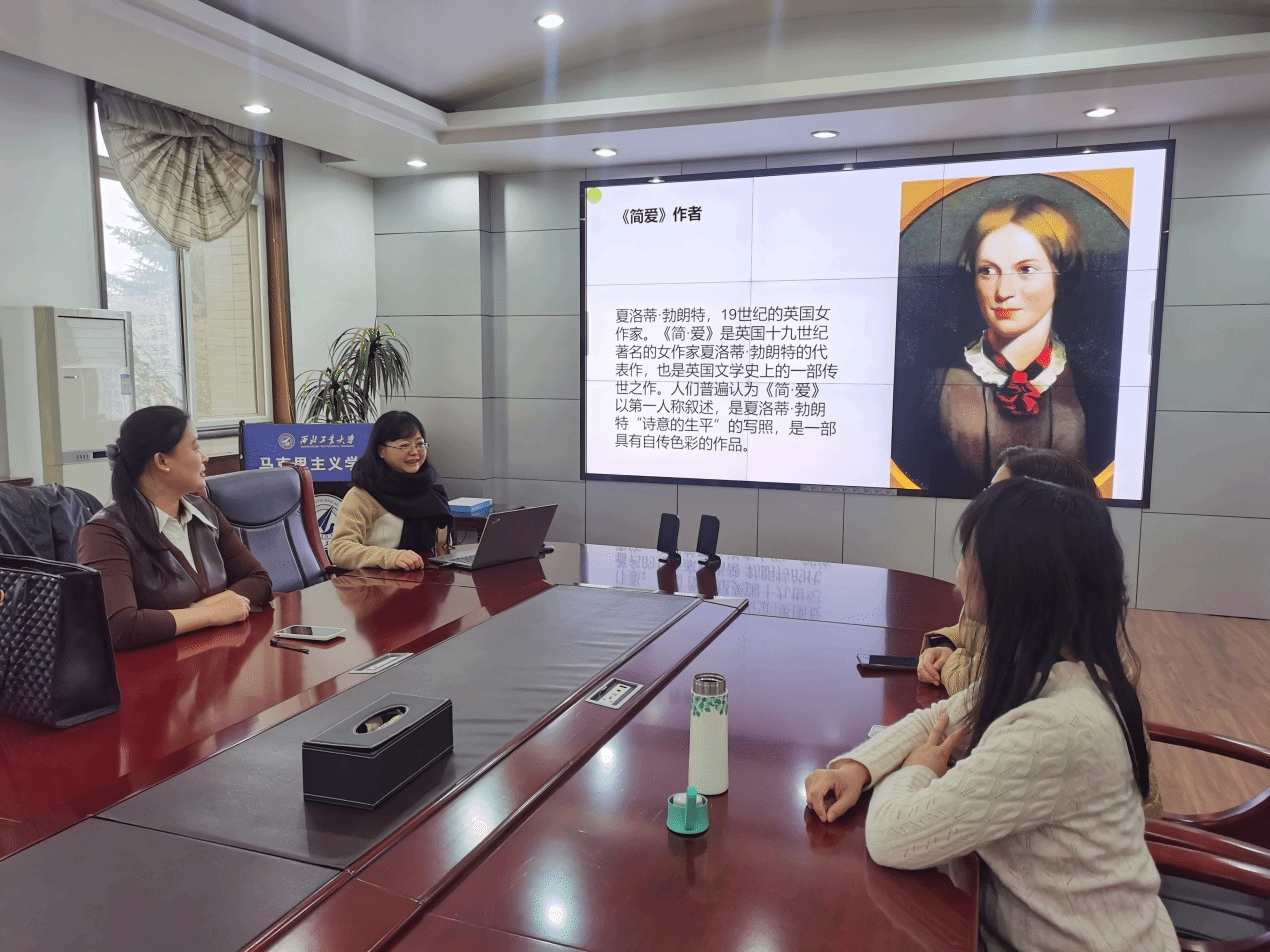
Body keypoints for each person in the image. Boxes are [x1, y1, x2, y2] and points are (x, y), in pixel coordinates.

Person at [804, 479, 1177, 952]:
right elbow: (937, 719)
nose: (958, 575)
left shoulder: (1056, 728)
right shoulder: (1056, 674)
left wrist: (918, 769)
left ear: (1015, 579)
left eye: (969, 556)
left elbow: (891, 836)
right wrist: (854, 768)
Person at [918, 445, 1162, 817]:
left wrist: (952, 665)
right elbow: (969, 633)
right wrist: (945, 642)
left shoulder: (1072, 651)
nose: (985, 509)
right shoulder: (1030, 598)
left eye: (1001, 497)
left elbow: (984, 691)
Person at [922, 195, 1116, 495]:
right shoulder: (935, 387)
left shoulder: (1091, 392)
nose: (1003, 291)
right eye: (988, 271)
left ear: (1060, 276)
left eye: (1026, 270)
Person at [77, 406, 273, 650]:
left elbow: (259, 580)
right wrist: (210, 614)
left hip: (212, 656)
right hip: (155, 669)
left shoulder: (203, 510)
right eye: (195, 447)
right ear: (162, 461)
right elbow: (118, 626)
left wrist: (196, 612)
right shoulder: (104, 533)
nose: (204, 457)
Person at [327, 410, 453, 571]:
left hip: (429, 578)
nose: (414, 451)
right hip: (378, 583)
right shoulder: (362, 496)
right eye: (404, 445)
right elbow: (339, 549)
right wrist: (389, 557)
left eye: (420, 444)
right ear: (381, 451)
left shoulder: (431, 494)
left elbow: (442, 547)